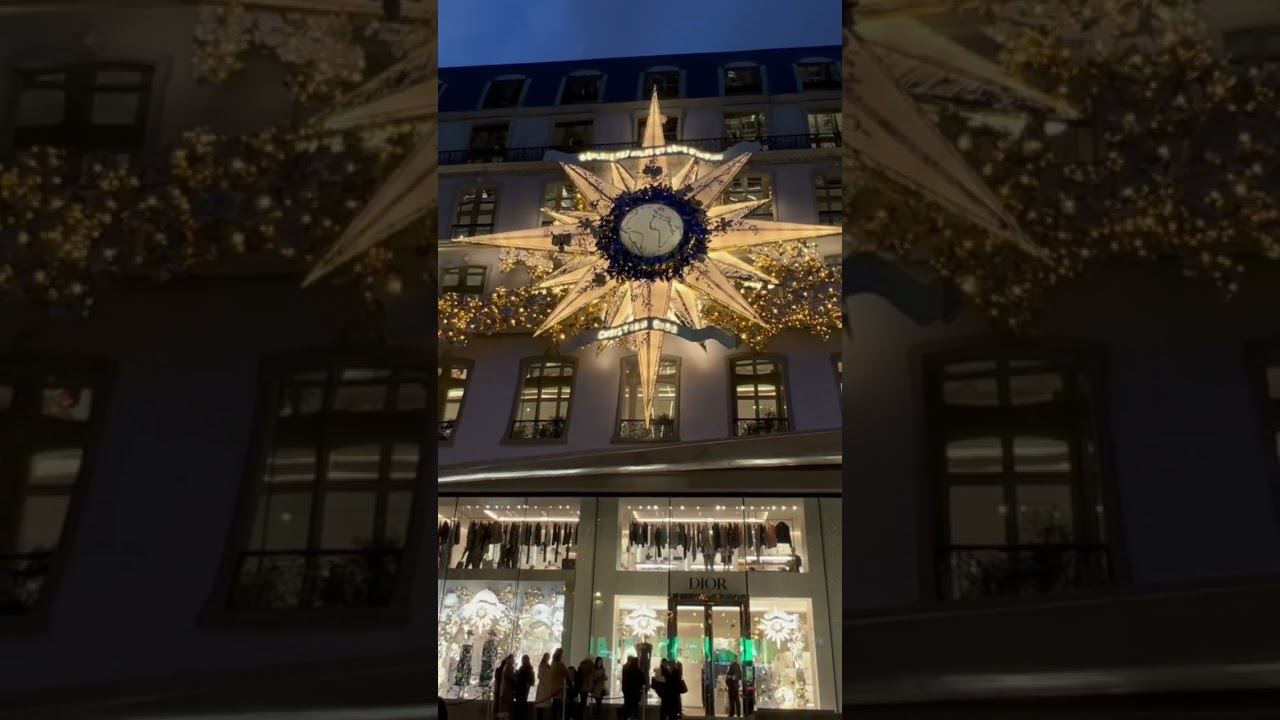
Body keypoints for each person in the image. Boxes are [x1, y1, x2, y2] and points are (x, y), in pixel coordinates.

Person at [549, 649, 570, 720]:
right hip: (559, 689)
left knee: (555, 706)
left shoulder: (553, 663)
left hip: (553, 688)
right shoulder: (560, 664)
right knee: (559, 707)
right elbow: (567, 673)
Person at [515, 655, 536, 720]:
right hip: (521, 690)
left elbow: (532, 681)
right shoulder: (525, 668)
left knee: (522, 708)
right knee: (520, 708)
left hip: (524, 691)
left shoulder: (528, 669)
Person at [536, 653, 552, 720]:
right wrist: (544, 682)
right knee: (541, 705)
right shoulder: (542, 665)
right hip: (543, 687)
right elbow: (539, 675)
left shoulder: (548, 665)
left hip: (546, 688)